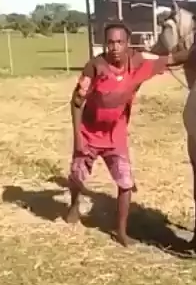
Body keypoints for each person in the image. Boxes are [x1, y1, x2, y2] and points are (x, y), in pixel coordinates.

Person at [65, 20, 188, 247]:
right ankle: (74, 205)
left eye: (120, 42)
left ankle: (121, 231)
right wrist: (78, 138)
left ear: (128, 43)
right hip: (89, 133)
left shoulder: (138, 65)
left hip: (116, 135)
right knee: (77, 176)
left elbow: (171, 59)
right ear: (105, 44)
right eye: (110, 42)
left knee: (125, 183)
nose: (115, 47)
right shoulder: (95, 67)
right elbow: (76, 102)